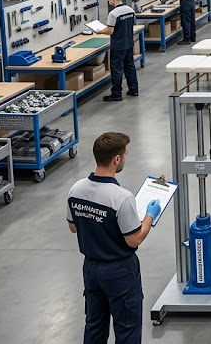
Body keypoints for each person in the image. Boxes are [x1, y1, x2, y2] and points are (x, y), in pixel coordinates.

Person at [67, 132, 161, 344]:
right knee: (127, 328)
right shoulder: (122, 197)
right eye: (125, 155)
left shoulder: (76, 189)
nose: (126, 159)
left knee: (94, 325)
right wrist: (149, 216)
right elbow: (134, 239)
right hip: (119, 271)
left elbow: (73, 227)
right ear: (116, 159)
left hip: (91, 268)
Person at [97, 0, 138, 102]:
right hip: (129, 43)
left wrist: (100, 31)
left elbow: (110, 30)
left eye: (109, 0)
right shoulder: (130, 10)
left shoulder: (113, 14)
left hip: (118, 46)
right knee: (130, 66)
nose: (109, 3)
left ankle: (116, 94)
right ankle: (134, 89)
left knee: (117, 70)